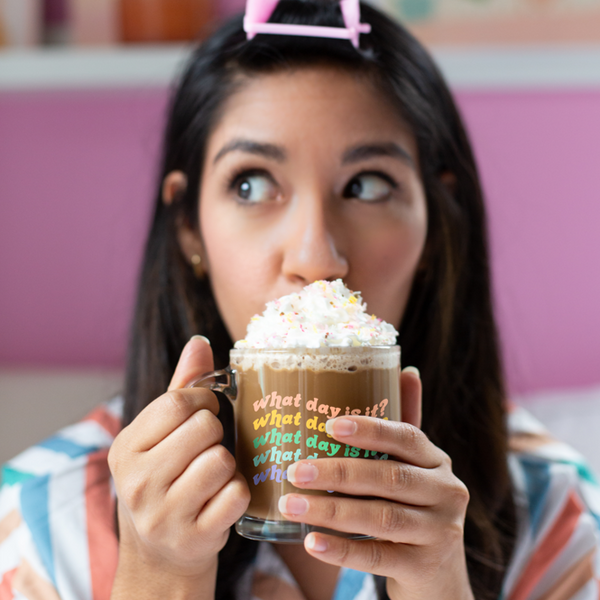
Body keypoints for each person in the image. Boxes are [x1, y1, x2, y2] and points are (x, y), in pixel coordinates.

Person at [1, 2, 599, 599]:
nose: (317, 257)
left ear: (436, 224)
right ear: (189, 226)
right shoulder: (39, 526)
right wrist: (160, 577)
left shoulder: (559, 519)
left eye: (365, 185)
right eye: (252, 183)